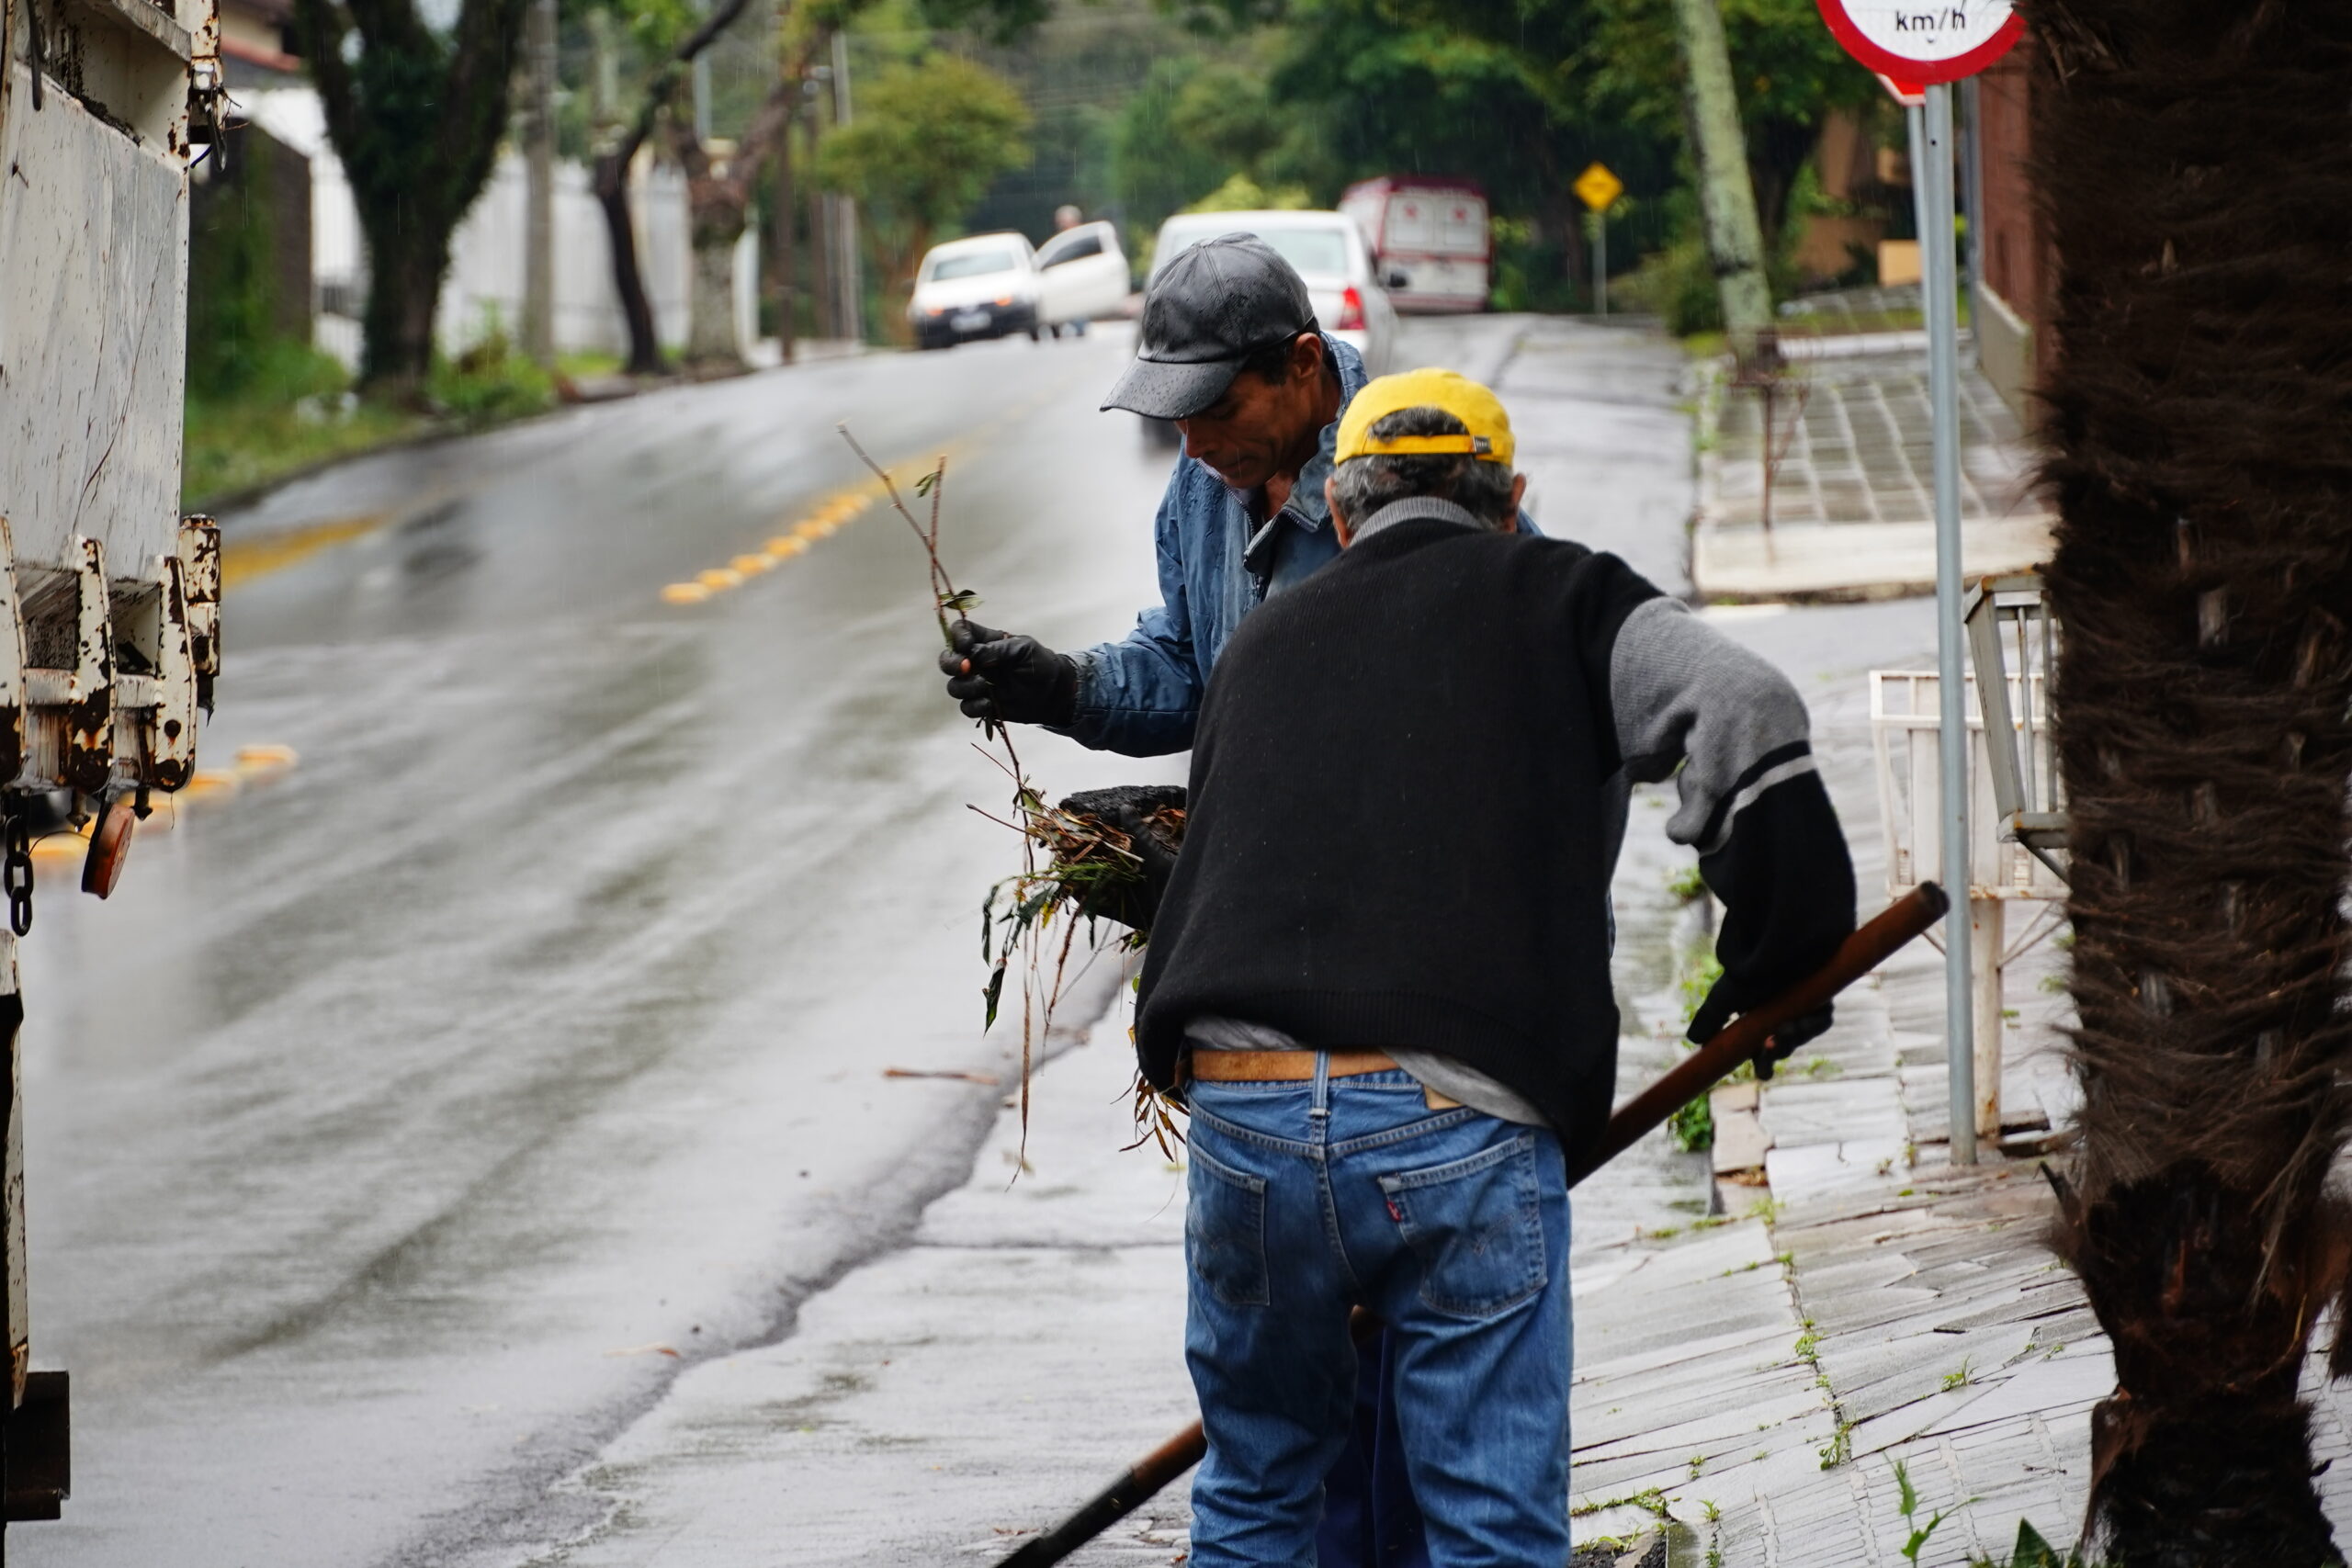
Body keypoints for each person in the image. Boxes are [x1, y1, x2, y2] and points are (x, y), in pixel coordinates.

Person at [1128, 370, 1856, 1563]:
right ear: (1510, 500)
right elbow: (1745, 700)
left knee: (1258, 1497)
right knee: (1489, 1525)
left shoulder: (1262, 643)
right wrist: (1782, 952)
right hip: (1450, 1111)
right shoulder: (1567, 596)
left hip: (1242, 1110)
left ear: (1344, 514)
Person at [940, 235, 1484, 1563]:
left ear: (1303, 368)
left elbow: (1458, 757)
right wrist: (1059, 687)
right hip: (1255, 1026)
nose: (1194, 449)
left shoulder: (1422, 486)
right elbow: (1185, 672)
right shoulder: (1205, 491)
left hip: (1413, 1033)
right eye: (1175, 419)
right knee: (1282, 1398)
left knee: (1424, 1403)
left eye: (1217, 412)